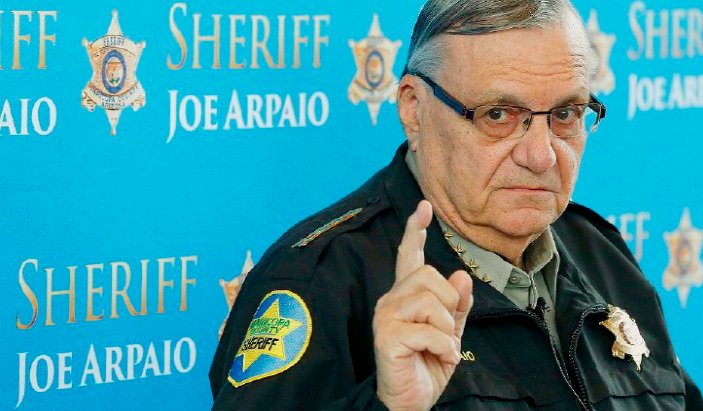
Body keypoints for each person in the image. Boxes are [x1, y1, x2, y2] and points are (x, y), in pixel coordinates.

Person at [210, 0, 703, 409]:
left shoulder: (601, 252)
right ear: (414, 109)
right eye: (498, 114)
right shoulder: (321, 279)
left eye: (566, 114)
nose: (541, 156)